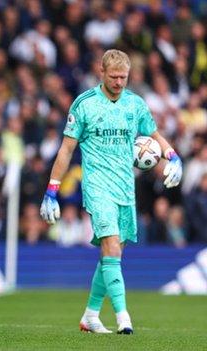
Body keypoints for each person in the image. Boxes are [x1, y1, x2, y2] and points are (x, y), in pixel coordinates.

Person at [40, 49, 183, 335]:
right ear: (101, 73)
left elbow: (153, 134)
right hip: (98, 187)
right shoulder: (85, 104)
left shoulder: (135, 104)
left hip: (125, 189)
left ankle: (91, 315)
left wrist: (173, 155)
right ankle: (123, 317)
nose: (119, 82)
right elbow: (66, 149)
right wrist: (51, 191)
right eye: (114, 77)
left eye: (124, 77)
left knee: (112, 253)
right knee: (112, 246)